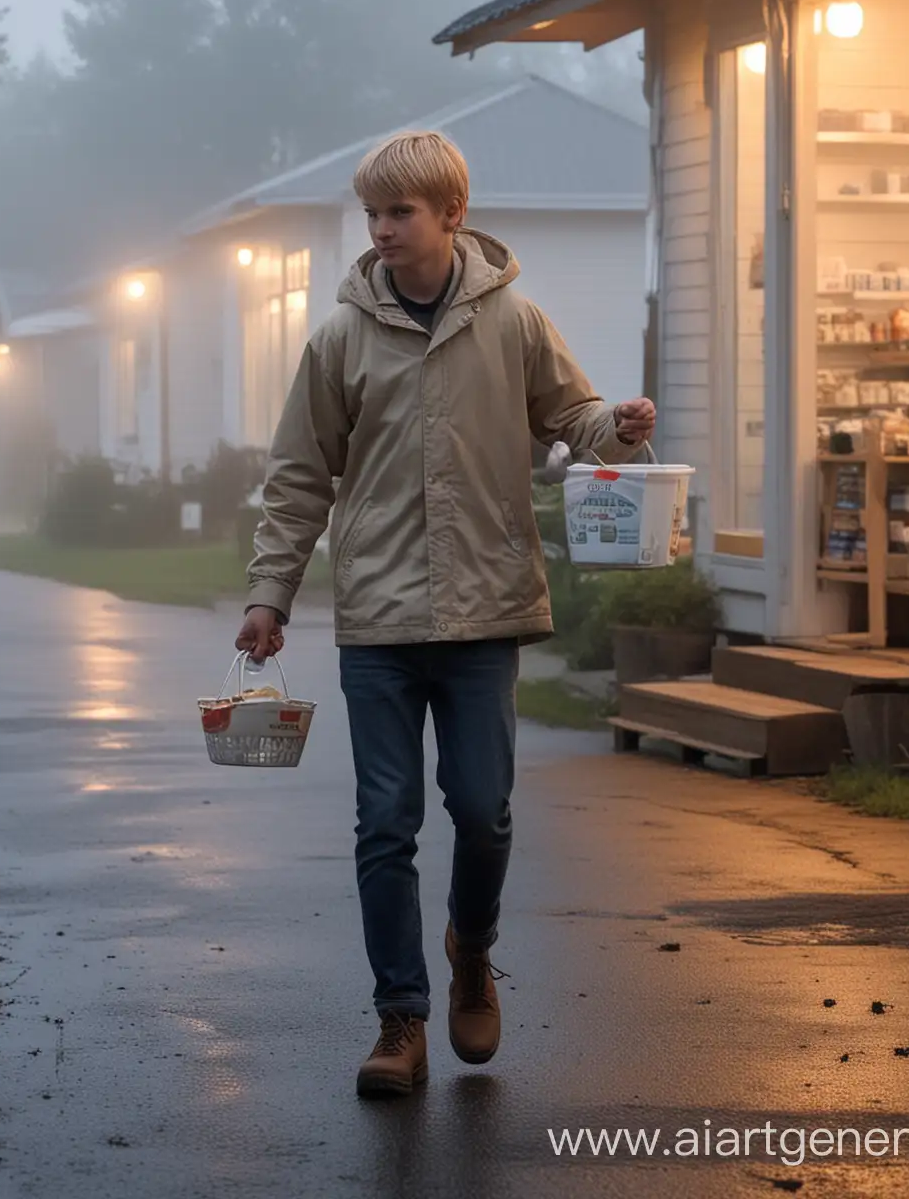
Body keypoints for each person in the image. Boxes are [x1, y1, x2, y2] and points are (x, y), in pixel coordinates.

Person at [235, 129, 656, 1098]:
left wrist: (617, 428)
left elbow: (574, 416)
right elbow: (298, 477)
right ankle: (400, 1018)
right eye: (373, 213)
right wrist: (269, 594)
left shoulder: (512, 321)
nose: (382, 230)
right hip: (379, 624)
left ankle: (472, 948)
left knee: (482, 810)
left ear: (450, 216)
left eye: (400, 213)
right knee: (385, 821)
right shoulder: (340, 339)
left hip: (484, 612)